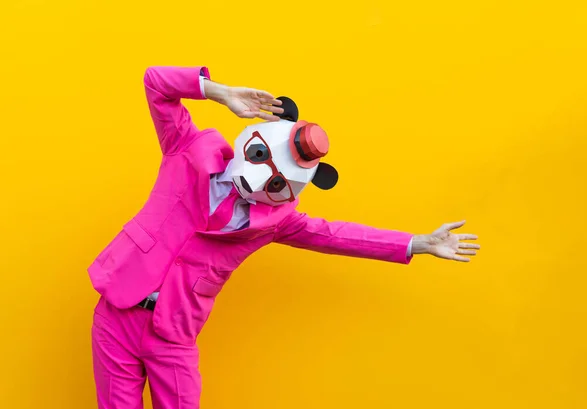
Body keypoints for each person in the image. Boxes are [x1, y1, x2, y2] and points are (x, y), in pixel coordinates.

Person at [88, 65, 480, 409]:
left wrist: (417, 243)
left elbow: (337, 235)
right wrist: (219, 92)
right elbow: (156, 82)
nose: (262, 178)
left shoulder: (275, 220)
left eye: (276, 181)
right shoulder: (189, 147)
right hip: (117, 308)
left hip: (173, 332)